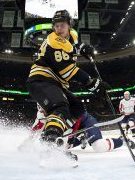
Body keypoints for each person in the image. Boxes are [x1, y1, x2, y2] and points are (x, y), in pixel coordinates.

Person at [26, 10, 109, 159]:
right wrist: (91, 83)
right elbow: (68, 71)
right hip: (41, 79)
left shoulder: (72, 36)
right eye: (56, 26)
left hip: (55, 84)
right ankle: (50, 145)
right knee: (60, 105)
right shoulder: (54, 41)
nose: (58, 29)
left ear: (70, 25)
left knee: (77, 108)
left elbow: (74, 46)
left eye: (62, 25)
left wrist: (83, 48)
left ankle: (58, 137)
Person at [18, 104, 135, 153]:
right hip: (73, 128)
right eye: (42, 110)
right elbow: (34, 132)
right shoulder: (41, 117)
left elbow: (75, 123)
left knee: (99, 147)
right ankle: (82, 138)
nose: (44, 112)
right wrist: (25, 144)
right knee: (60, 145)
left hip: (85, 121)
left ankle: (122, 140)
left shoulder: (61, 109)